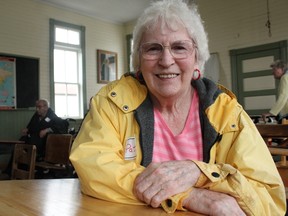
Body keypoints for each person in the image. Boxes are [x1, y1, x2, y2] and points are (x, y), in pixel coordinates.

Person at [70, 0, 286, 215]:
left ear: (197, 59)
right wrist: (189, 196)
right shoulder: (112, 103)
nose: (166, 60)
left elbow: (268, 198)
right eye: (153, 49)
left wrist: (199, 173)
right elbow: (94, 169)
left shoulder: (227, 112)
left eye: (179, 47)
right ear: (138, 61)